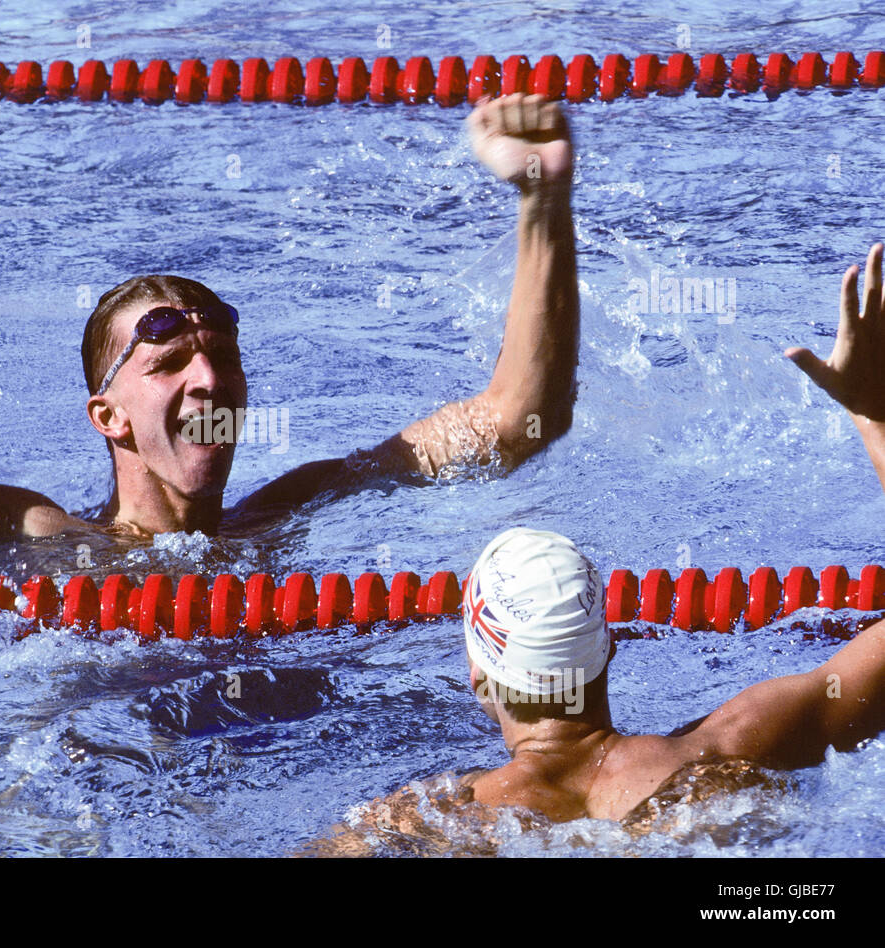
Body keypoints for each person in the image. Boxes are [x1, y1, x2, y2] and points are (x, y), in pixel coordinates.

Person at [0, 94, 580, 553]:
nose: (209, 377)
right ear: (108, 416)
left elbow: (517, 421)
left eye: (221, 356)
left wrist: (543, 198)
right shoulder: (29, 535)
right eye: (170, 364)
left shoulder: (292, 509)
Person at [306, 244, 885, 854]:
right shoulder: (736, 748)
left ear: (480, 678)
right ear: (608, 647)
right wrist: (873, 417)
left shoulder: (429, 821)